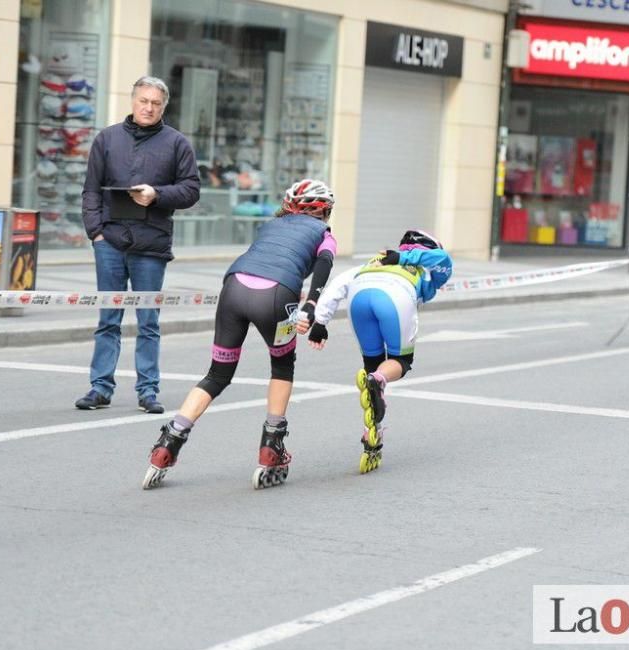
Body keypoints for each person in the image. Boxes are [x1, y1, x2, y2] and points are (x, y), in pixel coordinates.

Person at [141, 179, 337, 491]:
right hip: (276, 295)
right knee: (283, 367)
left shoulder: (272, 226)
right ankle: (271, 448)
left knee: (217, 374)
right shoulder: (324, 234)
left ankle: (169, 441)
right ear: (324, 211)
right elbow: (325, 263)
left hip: (233, 286)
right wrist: (311, 305)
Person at [76, 76, 200, 414]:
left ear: (164, 106)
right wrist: (95, 232)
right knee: (108, 319)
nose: (148, 107)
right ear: (133, 101)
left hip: (152, 245)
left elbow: (191, 190)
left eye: (155, 103)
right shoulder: (107, 139)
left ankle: (148, 391)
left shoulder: (177, 144)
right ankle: (100, 388)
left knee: (148, 321)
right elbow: (91, 190)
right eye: (143, 101)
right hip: (110, 242)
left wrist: (157, 195)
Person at [305, 230, 453, 474]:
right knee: (400, 361)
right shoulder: (422, 264)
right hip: (394, 297)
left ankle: (372, 430)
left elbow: (339, 284)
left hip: (358, 297)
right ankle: (379, 379)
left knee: (372, 367)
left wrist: (320, 322)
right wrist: (407, 260)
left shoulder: (377, 259)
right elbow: (444, 260)